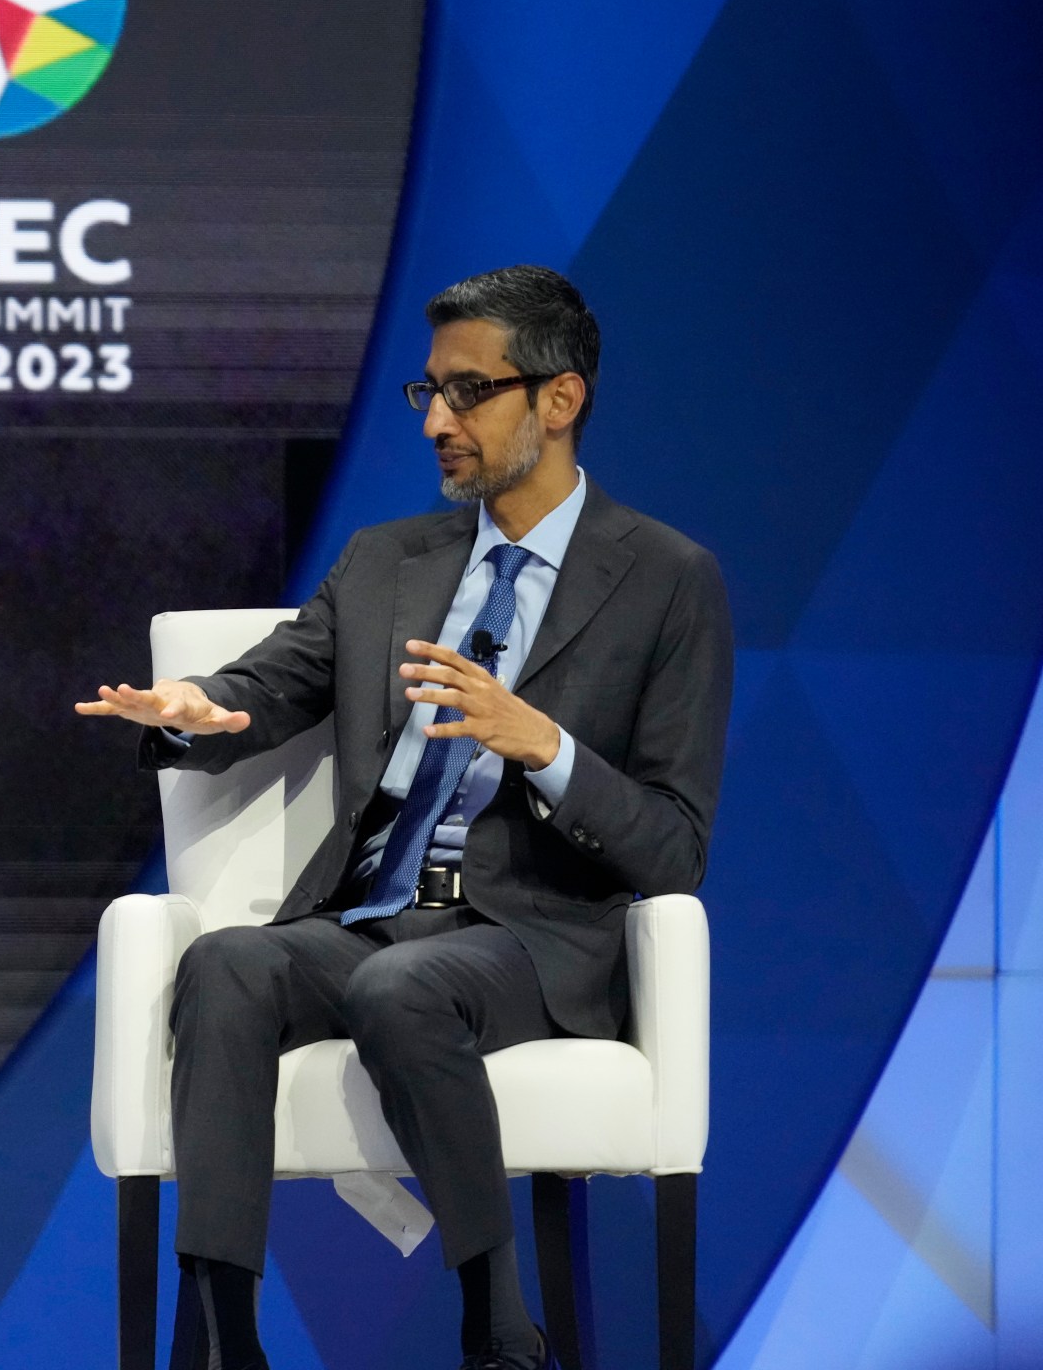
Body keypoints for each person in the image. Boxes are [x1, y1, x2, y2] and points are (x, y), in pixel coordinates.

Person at [75, 266, 730, 1370]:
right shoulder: (387, 560)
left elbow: (674, 845)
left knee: (401, 988)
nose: (436, 421)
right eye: (425, 393)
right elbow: (268, 685)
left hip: (526, 940)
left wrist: (544, 746)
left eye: (466, 393)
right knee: (227, 964)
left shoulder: (669, 579)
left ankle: (494, 1320)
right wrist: (192, 714)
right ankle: (226, 1339)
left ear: (557, 401)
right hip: (365, 913)